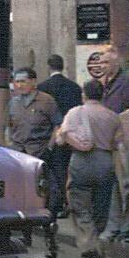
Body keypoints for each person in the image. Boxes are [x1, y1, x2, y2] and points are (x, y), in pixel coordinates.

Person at [54, 80, 124, 258]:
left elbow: (60, 140)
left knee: (80, 205)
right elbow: (119, 142)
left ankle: (89, 245)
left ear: (84, 95)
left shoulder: (75, 112)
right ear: (102, 95)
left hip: (81, 162)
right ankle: (96, 237)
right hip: (105, 163)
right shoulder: (113, 117)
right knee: (101, 205)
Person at [98, 46, 129, 241]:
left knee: (125, 185)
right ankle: (114, 226)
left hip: (124, 142)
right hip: (107, 142)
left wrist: (128, 120)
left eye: (106, 62)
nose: (102, 66)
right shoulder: (102, 83)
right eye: (101, 62)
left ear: (116, 63)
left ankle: (126, 227)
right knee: (112, 187)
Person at [6, 67, 64, 213]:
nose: (19, 85)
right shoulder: (13, 102)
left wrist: (50, 147)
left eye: (23, 81)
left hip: (39, 152)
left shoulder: (46, 101)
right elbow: (7, 125)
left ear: (33, 82)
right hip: (18, 152)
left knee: (44, 189)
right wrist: (8, 143)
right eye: (16, 82)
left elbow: (58, 125)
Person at [38, 55, 81, 218]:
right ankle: (68, 202)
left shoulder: (43, 88)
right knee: (66, 169)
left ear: (49, 67)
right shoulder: (75, 87)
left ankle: (55, 202)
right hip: (71, 134)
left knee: (52, 170)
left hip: (50, 135)